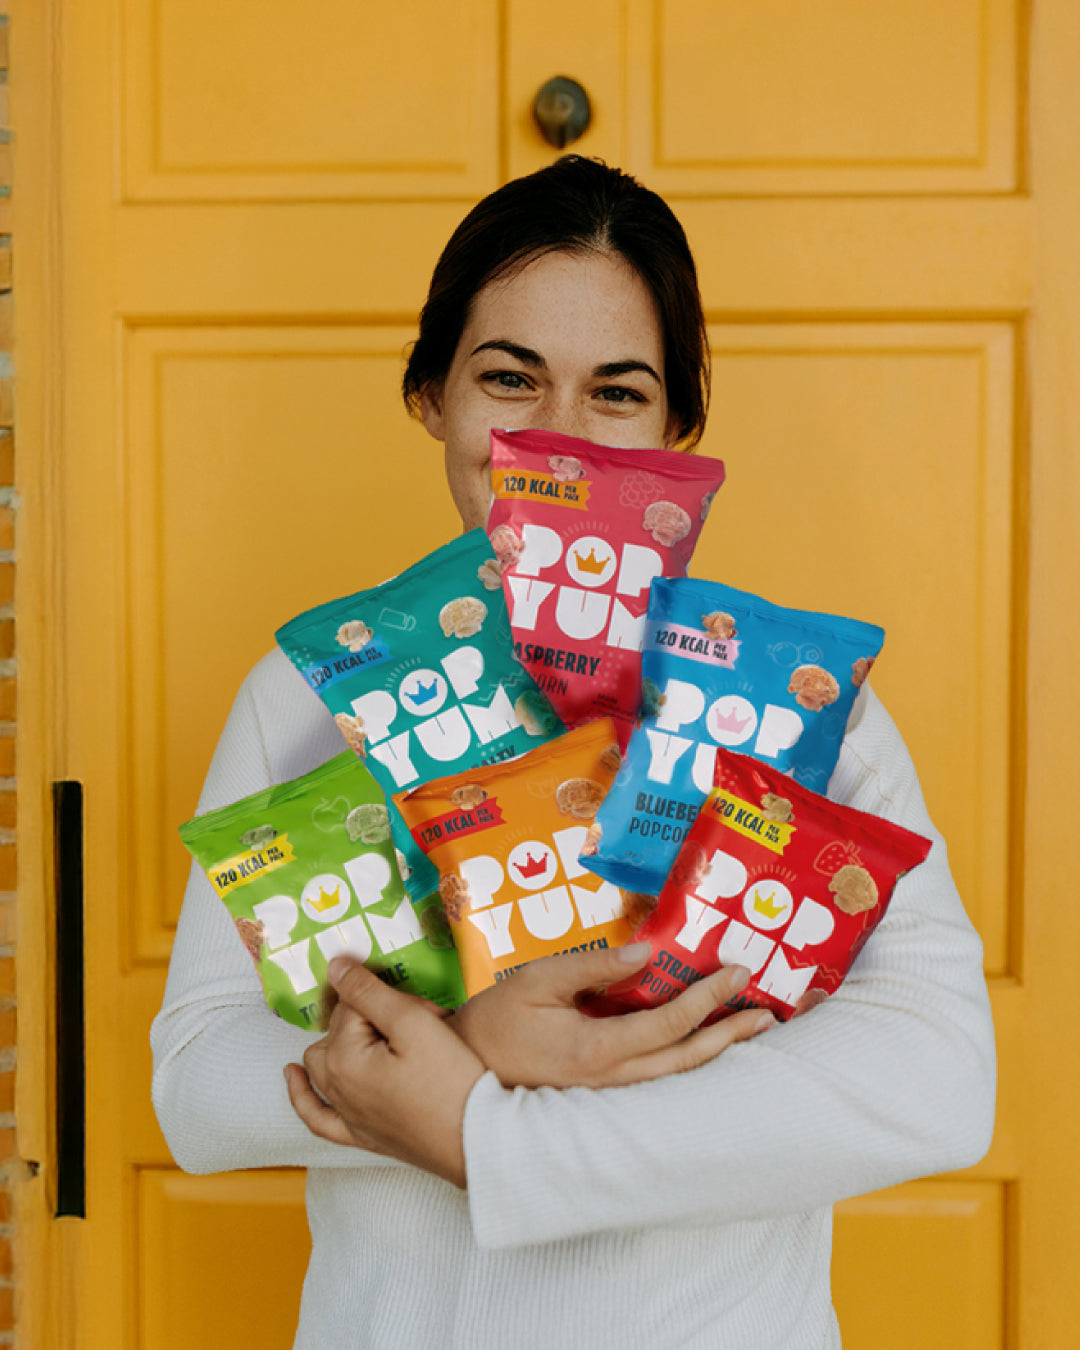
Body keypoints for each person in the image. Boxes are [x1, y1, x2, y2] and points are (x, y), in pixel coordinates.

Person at [151, 156, 996, 1349]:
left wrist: (488, 1130)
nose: (556, 442)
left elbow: (938, 1078)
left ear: (675, 431)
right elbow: (196, 1084)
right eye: (508, 378)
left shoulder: (795, 703)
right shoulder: (308, 691)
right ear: (429, 397)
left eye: (616, 392)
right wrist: (463, 1045)